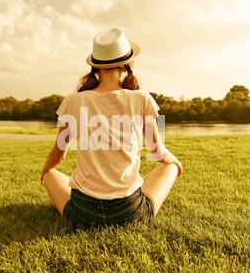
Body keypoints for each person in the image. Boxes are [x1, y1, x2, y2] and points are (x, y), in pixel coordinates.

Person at [40, 27, 182, 228]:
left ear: (95, 67)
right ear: (126, 65)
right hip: (129, 212)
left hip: (83, 212)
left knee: (51, 174)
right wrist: (176, 163)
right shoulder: (144, 98)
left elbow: (59, 154)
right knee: (169, 167)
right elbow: (157, 152)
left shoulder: (71, 102)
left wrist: (45, 171)